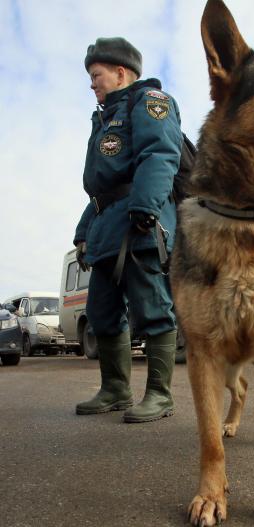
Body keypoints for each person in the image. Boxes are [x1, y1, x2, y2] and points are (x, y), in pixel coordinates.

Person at [74, 37, 183, 423]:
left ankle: (159, 394)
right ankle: (115, 389)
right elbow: (98, 188)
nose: (92, 83)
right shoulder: (103, 118)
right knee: (101, 312)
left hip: (139, 221)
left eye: (96, 74)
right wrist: (83, 231)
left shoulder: (150, 101)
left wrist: (145, 207)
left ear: (121, 73)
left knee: (152, 308)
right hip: (107, 224)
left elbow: (160, 154)